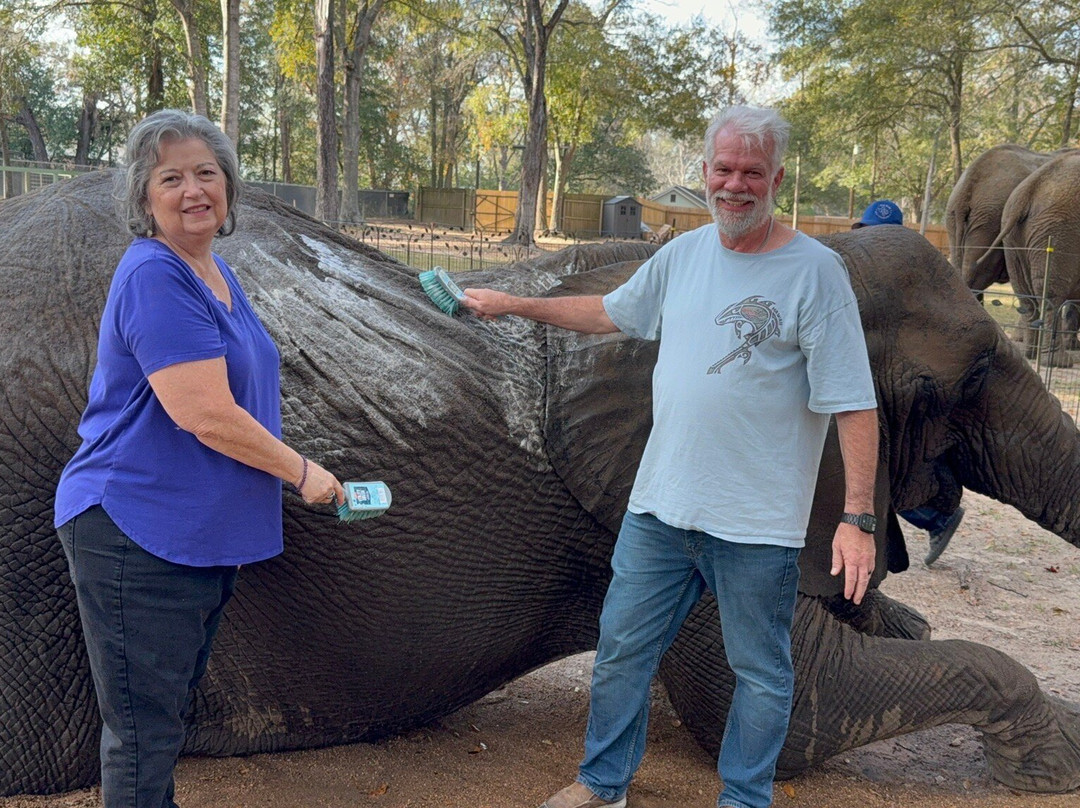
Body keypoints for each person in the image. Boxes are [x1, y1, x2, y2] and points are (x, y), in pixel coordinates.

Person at [462, 106, 880, 808]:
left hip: (755, 523)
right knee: (622, 654)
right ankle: (602, 786)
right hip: (661, 508)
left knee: (760, 672)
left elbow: (853, 402)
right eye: (723, 170)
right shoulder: (682, 256)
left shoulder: (817, 273)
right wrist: (514, 303)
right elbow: (611, 313)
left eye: (752, 172)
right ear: (705, 174)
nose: (735, 185)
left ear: (777, 177)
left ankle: (745, 798)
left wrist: (857, 518)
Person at [53, 109, 345, 808]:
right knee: (142, 730)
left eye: (206, 174)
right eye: (171, 177)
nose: (193, 190)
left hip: (191, 534)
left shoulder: (210, 268)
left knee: (165, 712)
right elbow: (204, 411)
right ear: (144, 196)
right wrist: (302, 472)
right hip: (136, 529)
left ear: (229, 187)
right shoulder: (157, 273)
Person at [851, 199, 965, 565]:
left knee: (878, 465)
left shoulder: (914, 278)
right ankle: (932, 517)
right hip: (876, 378)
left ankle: (934, 516)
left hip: (894, 384)